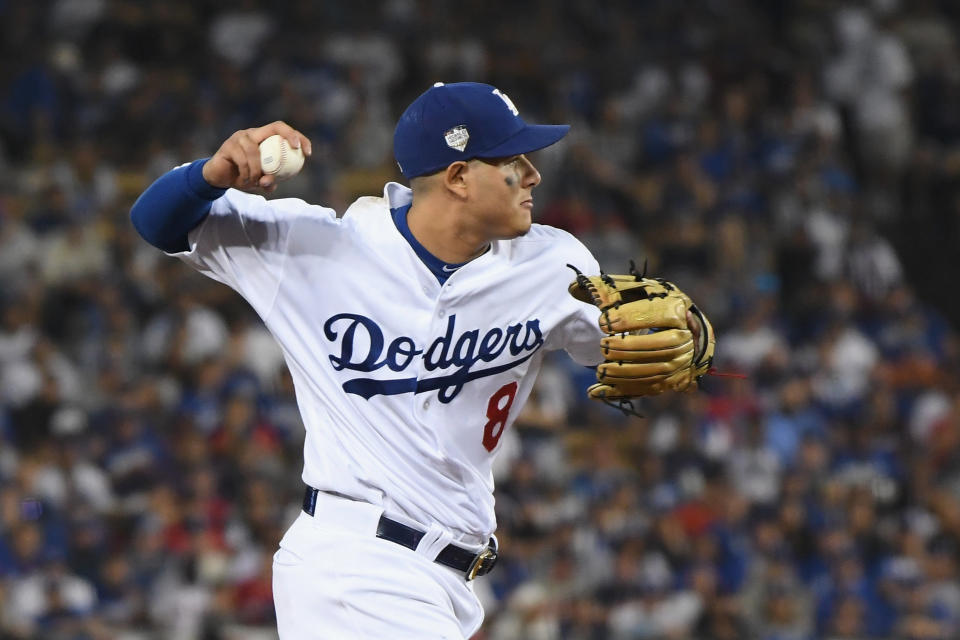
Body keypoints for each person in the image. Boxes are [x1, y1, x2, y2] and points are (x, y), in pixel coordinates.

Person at [130, 81, 614, 638]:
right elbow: (156, 222)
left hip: (447, 581)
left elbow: (629, 352)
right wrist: (208, 175)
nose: (532, 175)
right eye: (512, 160)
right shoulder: (316, 248)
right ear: (457, 178)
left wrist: (689, 338)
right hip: (356, 562)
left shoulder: (553, 263)